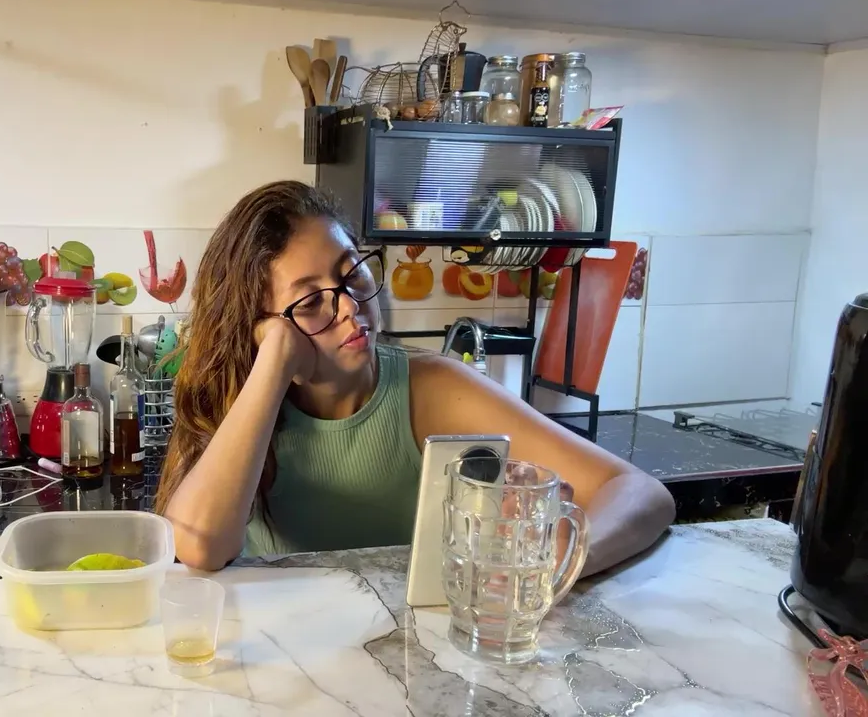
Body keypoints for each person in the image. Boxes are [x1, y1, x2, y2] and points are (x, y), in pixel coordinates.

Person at [154, 181, 674, 576]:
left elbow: (639, 492)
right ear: (258, 328)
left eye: (352, 273)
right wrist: (274, 364)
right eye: (310, 301)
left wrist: (570, 555)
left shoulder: (430, 388)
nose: (350, 308)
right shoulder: (235, 399)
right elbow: (198, 546)